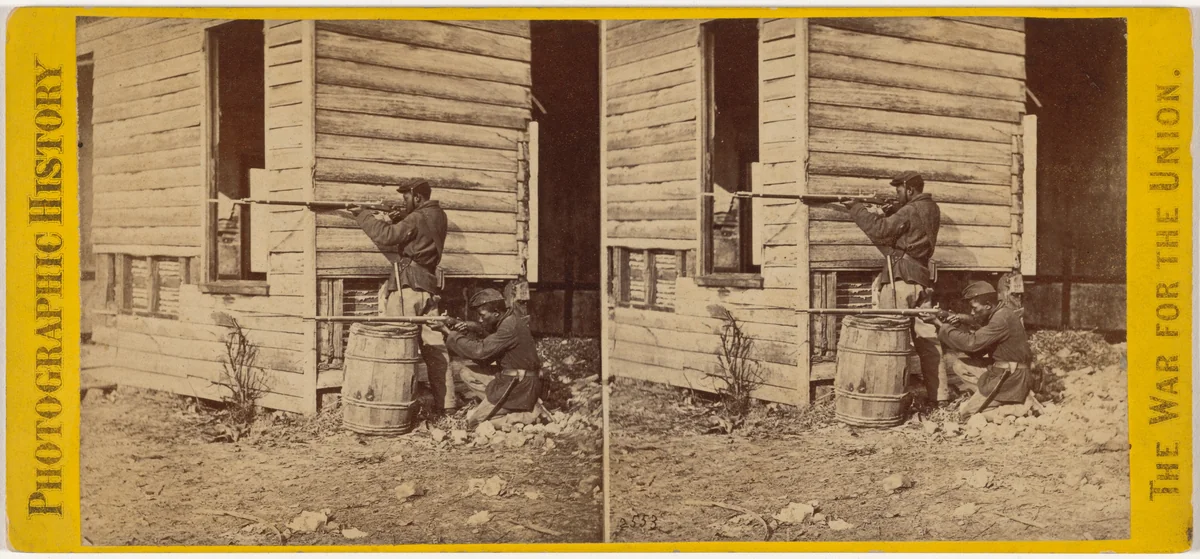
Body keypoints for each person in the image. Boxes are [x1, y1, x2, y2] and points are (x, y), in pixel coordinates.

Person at [345, 179, 455, 415]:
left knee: (397, 345)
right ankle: (447, 405)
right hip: (428, 287)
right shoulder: (438, 215)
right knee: (436, 348)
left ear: (417, 198)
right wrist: (400, 218)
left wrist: (363, 215)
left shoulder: (415, 218)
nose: (403, 202)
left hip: (408, 288)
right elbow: (418, 237)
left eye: (406, 198)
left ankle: (394, 407)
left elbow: (386, 236)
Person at [838, 171, 947, 405]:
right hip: (921, 281)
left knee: (888, 338)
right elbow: (910, 231)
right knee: (929, 341)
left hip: (901, 281)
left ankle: (886, 398)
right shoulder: (931, 208)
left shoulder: (909, 210)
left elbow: (881, 231)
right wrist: (891, 211)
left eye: (899, 191)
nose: (896, 195)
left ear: (909, 190)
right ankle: (941, 397)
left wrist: (857, 208)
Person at [924, 281, 1035, 421]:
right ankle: (1001, 399)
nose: (971, 312)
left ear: (988, 305)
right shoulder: (1001, 313)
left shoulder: (1001, 319)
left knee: (966, 414)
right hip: (1004, 371)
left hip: (1011, 378)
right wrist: (958, 319)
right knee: (960, 365)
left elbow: (971, 344)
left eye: (974, 308)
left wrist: (940, 325)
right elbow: (977, 344)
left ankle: (1015, 407)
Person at [431, 288, 543, 426]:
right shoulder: (509, 319)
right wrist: (463, 325)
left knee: (474, 421)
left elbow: (480, 352)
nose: (479, 319)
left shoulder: (509, 327)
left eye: (482, 315)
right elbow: (488, 335)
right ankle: (503, 406)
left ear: (496, 313)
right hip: (512, 379)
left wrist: (448, 332)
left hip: (519, 386)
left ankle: (527, 416)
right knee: (467, 372)